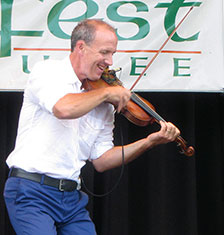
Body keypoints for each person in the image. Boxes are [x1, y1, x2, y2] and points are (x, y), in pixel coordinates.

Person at [3, 19, 180, 235]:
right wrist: (106, 93)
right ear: (81, 47)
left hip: (71, 198)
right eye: (104, 52)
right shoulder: (48, 72)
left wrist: (148, 142)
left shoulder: (104, 105)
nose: (110, 61)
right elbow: (63, 108)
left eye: (113, 53)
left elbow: (102, 160)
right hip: (31, 191)